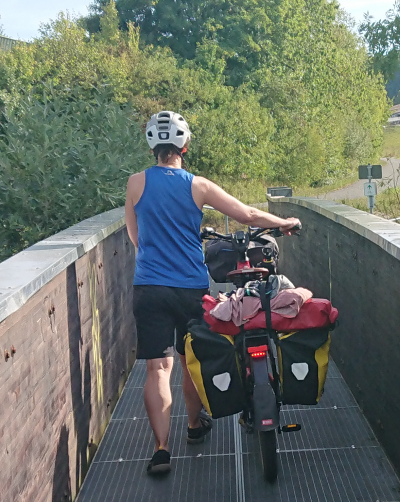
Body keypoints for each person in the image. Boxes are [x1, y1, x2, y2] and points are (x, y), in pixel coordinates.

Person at [128, 110, 299, 476]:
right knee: (190, 359)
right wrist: (283, 222)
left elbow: (135, 236)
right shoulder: (198, 186)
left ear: (152, 147)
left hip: (149, 287)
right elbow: (247, 215)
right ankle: (194, 426)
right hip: (190, 286)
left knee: (158, 369)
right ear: (185, 147)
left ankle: (161, 450)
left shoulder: (135, 184)